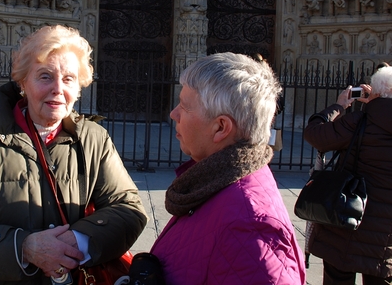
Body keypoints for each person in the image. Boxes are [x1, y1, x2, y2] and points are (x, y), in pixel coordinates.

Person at [0, 25, 147, 285]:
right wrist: (24, 248)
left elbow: (128, 208)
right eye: (45, 76)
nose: (57, 88)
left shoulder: (94, 139)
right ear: (23, 83)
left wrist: (79, 241)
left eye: (68, 79)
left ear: (79, 89)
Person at [149, 52, 305, 284]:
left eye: (184, 106)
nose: (174, 114)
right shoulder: (214, 181)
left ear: (221, 127)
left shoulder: (250, 227)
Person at [303, 67, 392, 284]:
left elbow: (315, 134)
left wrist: (339, 105)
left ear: (377, 93)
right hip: (385, 234)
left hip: (346, 223)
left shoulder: (359, 121)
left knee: (338, 276)